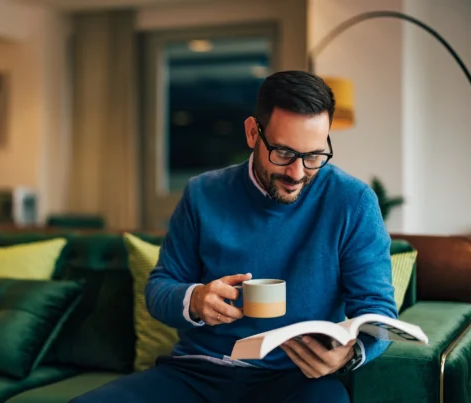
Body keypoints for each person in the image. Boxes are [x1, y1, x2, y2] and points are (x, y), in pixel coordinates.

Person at [69, 70, 397, 403]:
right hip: (196, 373)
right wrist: (195, 300)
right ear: (253, 132)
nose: (297, 173)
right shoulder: (203, 193)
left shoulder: (352, 202)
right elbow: (159, 288)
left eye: (313, 156)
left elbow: (378, 310)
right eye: (283, 153)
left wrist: (351, 353)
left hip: (295, 380)